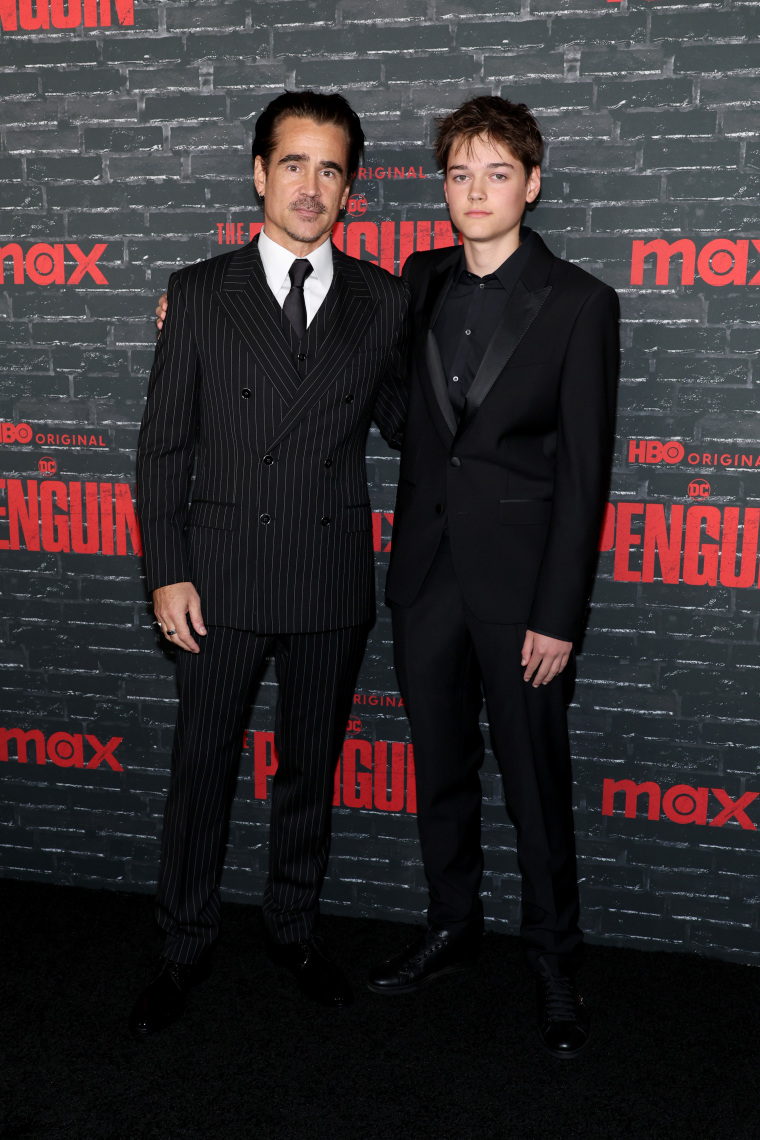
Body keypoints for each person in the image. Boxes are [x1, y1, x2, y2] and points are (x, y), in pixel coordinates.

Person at [130, 90, 410, 1036]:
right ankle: (182, 945)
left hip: (329, 576)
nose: (310, 185)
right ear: (259, 174)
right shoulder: (202, 291)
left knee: (310, 771)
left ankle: (292, 930)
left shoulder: (384, 298)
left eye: (330, 168)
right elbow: (163, 448)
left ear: (350, 187)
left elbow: (414, 424)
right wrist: (166, 570)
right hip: (217, 578)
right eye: (293, 163)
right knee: (201, 765)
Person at [367, 97, 619, 1059]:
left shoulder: (581, 303)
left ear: (533, 183)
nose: (476, 192)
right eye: (460, 174)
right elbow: (368, 365)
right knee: (441, 772)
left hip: (523, 595)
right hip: (425, 576)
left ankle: (554, 954)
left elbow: (585, 473)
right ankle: (452, 923)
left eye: (497, 173)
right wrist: (211, 299)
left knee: (534, 782)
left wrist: (560, 613)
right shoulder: (421, 279)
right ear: (444, 187)